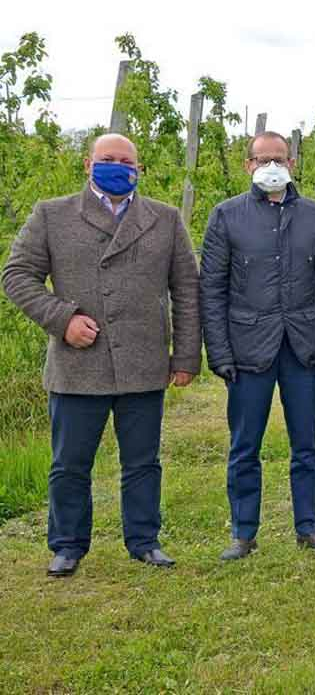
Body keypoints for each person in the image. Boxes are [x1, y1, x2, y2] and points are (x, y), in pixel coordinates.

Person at [2, 133, 200, 577]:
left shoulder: (165, 220)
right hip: (78, 363)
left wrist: (186, 356)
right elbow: (17, 276)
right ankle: (68, 545)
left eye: (125, 161)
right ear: (88, 165)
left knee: (143, 462)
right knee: (70, 463)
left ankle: (145, 541)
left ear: (139, 169)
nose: (117, 166)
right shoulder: (52, 215)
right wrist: (62, 318)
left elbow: (187, 289)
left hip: (144, 362)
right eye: (106, 159)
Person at [199, 131, 315, 561]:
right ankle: (243, 532)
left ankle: (309, 527)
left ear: (292, 163)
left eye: (279, 159)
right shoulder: (226, 217)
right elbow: (212, 290)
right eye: (262, 159)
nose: (271, 167)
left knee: (307, 443)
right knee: (245, 444)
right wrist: (220, 353)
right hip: (248, 350)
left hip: (304, 347)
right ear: (248, 166)